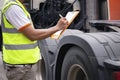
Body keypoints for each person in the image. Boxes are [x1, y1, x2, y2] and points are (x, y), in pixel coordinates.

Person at [1, 0, 68, 80]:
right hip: (21, 66)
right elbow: (32, 35)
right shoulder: (13, 8)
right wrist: (57, 27)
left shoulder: (15, 5)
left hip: (23, 64)